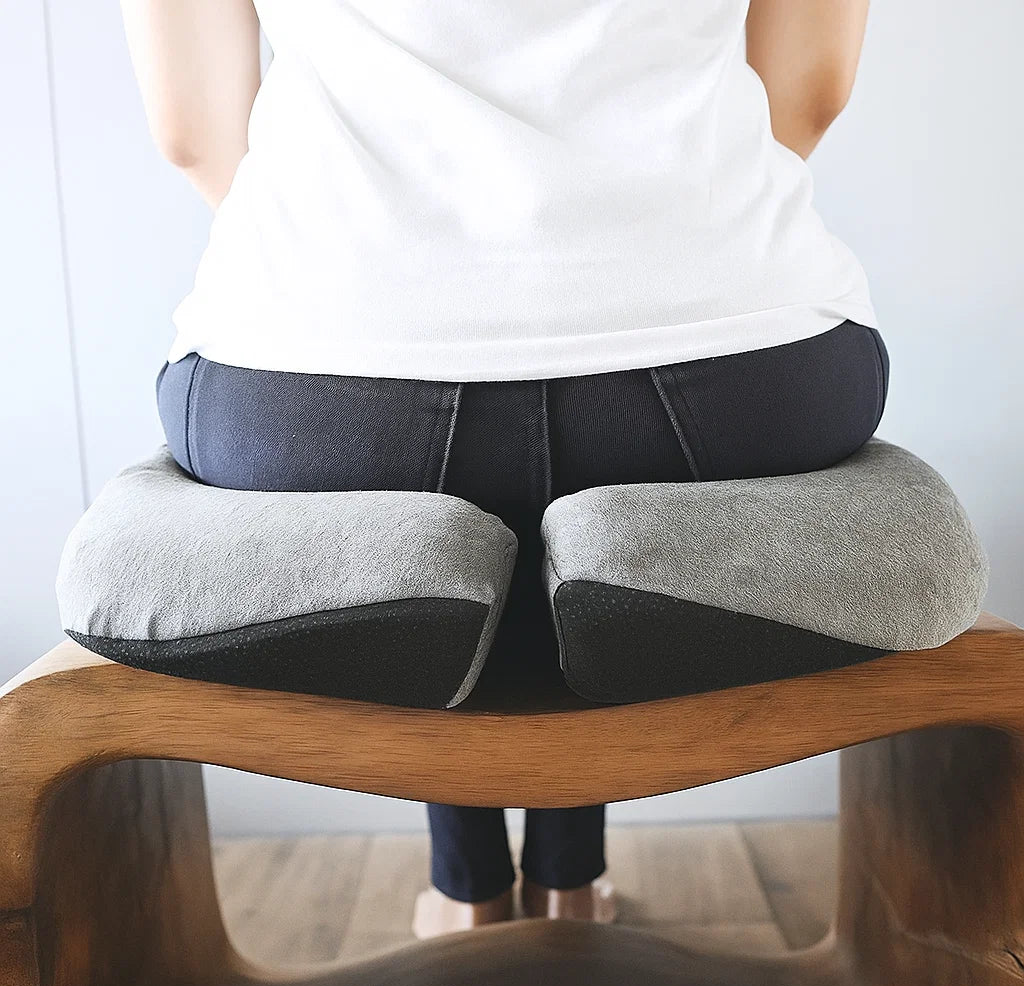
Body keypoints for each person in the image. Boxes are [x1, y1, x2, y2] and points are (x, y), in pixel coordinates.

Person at [125, 0, 884, 937]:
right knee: (577, 490)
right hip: (736, 377)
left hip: (320, 383)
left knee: (439, 494)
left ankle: (469, 890)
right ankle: (567, 884)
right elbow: (810, 91)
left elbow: (192, 133)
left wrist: (379, 288)